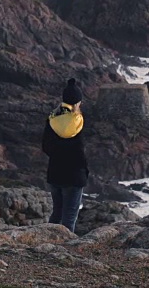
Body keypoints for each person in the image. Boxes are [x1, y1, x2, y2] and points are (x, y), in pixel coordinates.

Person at [41, 78, 89, 232]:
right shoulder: (78, 122)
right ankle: (65, 249)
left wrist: (58, 155)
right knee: (69, 217)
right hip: (74, 176)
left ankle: (48, 241)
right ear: (77, 103)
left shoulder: (52, 119)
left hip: (55, 173)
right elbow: (79, 152)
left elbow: (46, 146)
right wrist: (85, 172)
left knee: (56, 214)